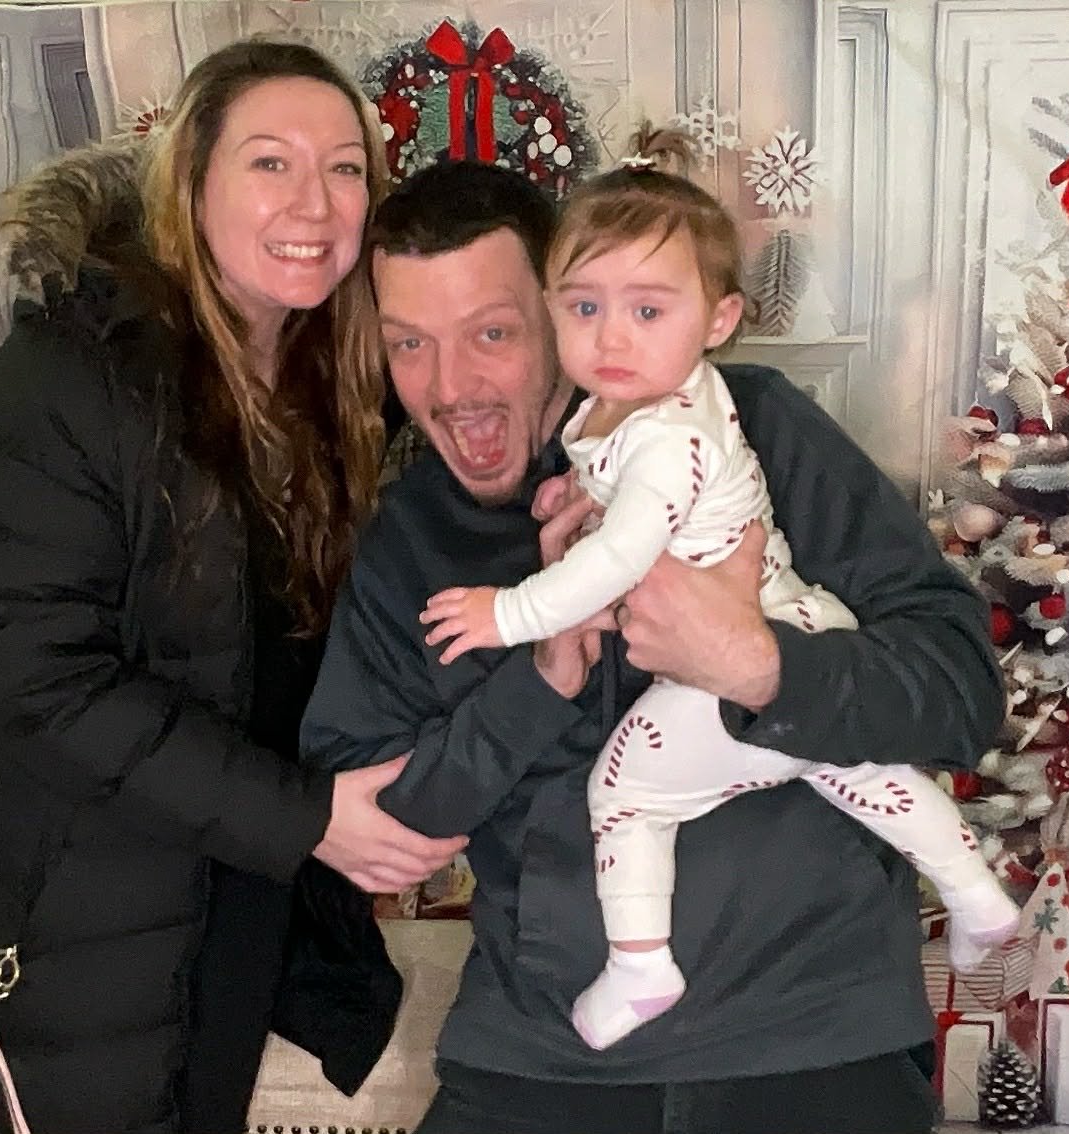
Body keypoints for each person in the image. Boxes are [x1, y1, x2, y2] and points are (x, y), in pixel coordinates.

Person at [300, 158, 1004, 1134]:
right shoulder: (408, 539)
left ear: (560, 312)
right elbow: (391, 823)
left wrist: (761, 665)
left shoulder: (750, 426)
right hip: (543, 1056)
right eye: (409, 344)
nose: (451, 386)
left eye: (493, 333)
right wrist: (541, 676)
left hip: (814, 1039)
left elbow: (960, 692)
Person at [0, 41, 466, 1134]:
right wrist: (309, 818)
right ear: (191, 182)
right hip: (55, 928)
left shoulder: (333, 375)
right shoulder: (70, 379)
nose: (314, 202)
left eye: (345, 168)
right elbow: (43, 683)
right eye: (270, 162)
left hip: (221, 905)